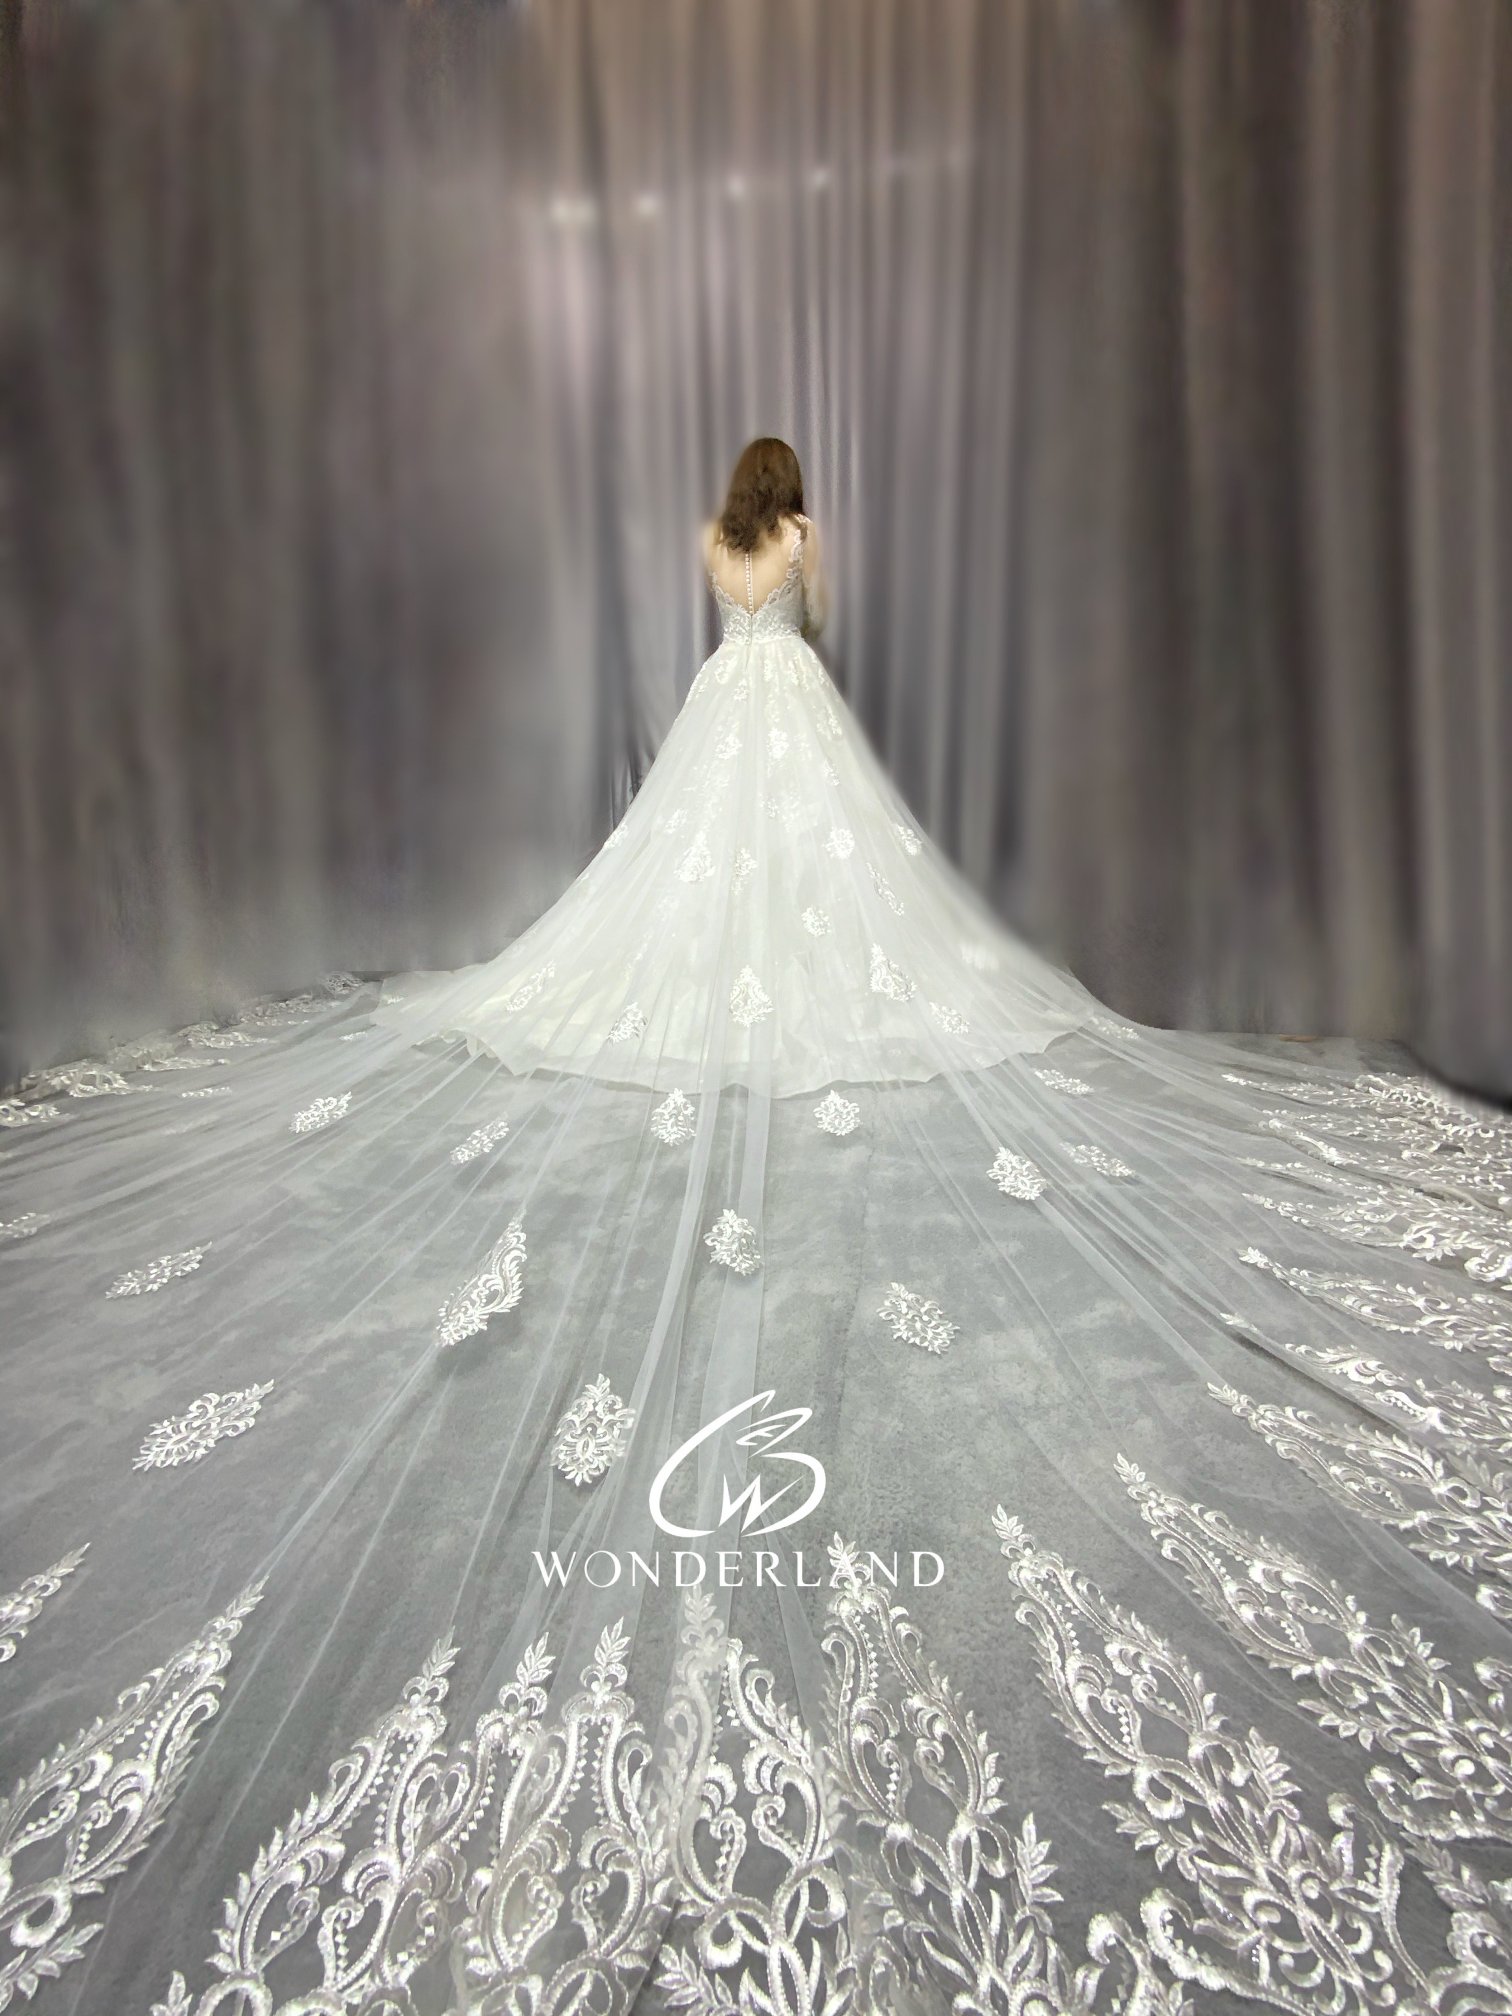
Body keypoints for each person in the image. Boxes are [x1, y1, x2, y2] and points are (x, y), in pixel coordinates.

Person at [2, 438, 1510, 2014]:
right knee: (819, 892)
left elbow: (734, 628)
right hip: (789, 716)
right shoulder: (799, 535)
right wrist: (803, 596)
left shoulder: (709, 543)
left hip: (724, 715)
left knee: (709, 885)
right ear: (787, 496)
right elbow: (819, 626)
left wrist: (751, 626)